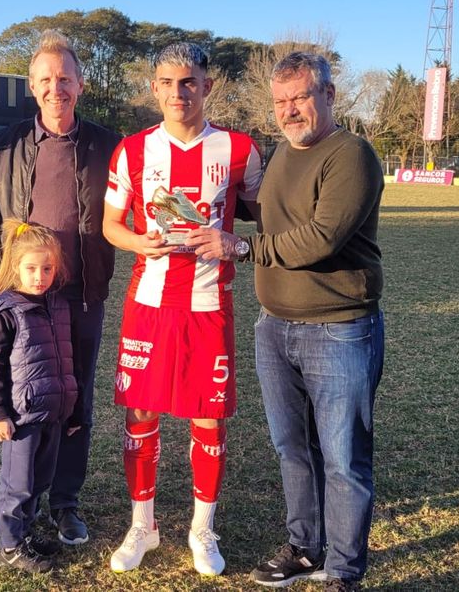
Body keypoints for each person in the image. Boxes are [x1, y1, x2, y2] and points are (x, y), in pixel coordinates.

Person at [186, 51, 385, 591]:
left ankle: (343, 571)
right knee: (293, 448)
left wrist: (239, 249)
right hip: (275, 326)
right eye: (281, 101)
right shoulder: (277, 155)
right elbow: (260, 210)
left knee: (343, 458)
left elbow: (320, 237)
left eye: (301, 97)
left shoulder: (351, 155)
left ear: (329, 96)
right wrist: (191, 205)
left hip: (339, 328)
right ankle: (304, 547)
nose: (290, 110)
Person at [102, 42, 263, 576]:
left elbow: (269, 214)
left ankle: (201, 528)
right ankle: (142, 526)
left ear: (207, 86)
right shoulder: (131, 150)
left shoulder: (240, 149)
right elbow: (111, 225)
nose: (178, 92)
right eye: (168, 83)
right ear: (154, 88)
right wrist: (136, 244)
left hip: (208, 304)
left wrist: (230, 241)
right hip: (149, 305)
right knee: (140, 413)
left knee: (208, 416)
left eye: (188, 81)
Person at [0, 29, 120, 546]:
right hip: (26, 301)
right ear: (32, 87)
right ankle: (22, 502)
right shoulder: (7, 144)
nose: (55, 88)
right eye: (44, 80)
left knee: (75, 400)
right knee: (26, 401)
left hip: (83, 295)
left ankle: (66, 503)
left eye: (64, 78)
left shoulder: (109, 145)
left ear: (80, 84)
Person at [0, 220, 77, 574]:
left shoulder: (57, 304)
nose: (39, 276)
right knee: (18, 484)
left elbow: (63, 357)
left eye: (47, 268)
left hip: (53, 412)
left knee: (41, 479)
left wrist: (69, 403)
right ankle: (11, 544)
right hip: (20, 418)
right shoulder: (6, 311)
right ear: (15, 267)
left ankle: (25, 532)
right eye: (31, 269)